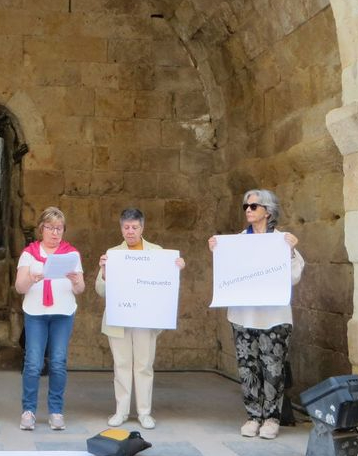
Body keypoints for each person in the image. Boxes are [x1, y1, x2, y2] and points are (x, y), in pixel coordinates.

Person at [208, 189, 304, 440]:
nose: (248, 210)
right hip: (243, 315)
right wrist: (218, 251)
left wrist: (291, 252)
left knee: (273, 368)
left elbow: (294, 277)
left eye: (253, 206)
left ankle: (271, 418)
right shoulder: (238, 241)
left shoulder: (282, 240)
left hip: (274, 316)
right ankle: (253, 416)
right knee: (248, 367)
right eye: (246, 207)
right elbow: (227, 272)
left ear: (268, 211)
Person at [96, 208, 185, 430]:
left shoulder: (157, 251)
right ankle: (121, 410)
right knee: (122, 364)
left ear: (142, 228)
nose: (130, 231)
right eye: (126, 227)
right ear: (121, 228)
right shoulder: (113, 253)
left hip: (145, 317)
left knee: (144, 365)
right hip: (120, 317)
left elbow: (166, 284)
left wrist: (177, 269)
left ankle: (144, 412)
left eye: (134, 227)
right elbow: (100, 289)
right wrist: (105, 272)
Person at [15, 207, 84, 431]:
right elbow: (19, 287)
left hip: (63, 313)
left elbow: (80, 288)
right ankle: (29, 410)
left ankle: (56, 411)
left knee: (58, 361)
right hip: (36, 313)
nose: (55, 233)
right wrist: (32, 279)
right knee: (33, 362)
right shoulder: (29, 253)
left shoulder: (71, 253)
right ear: (41, 229)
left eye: (59, 228)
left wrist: (75, 281)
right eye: (50, 228)